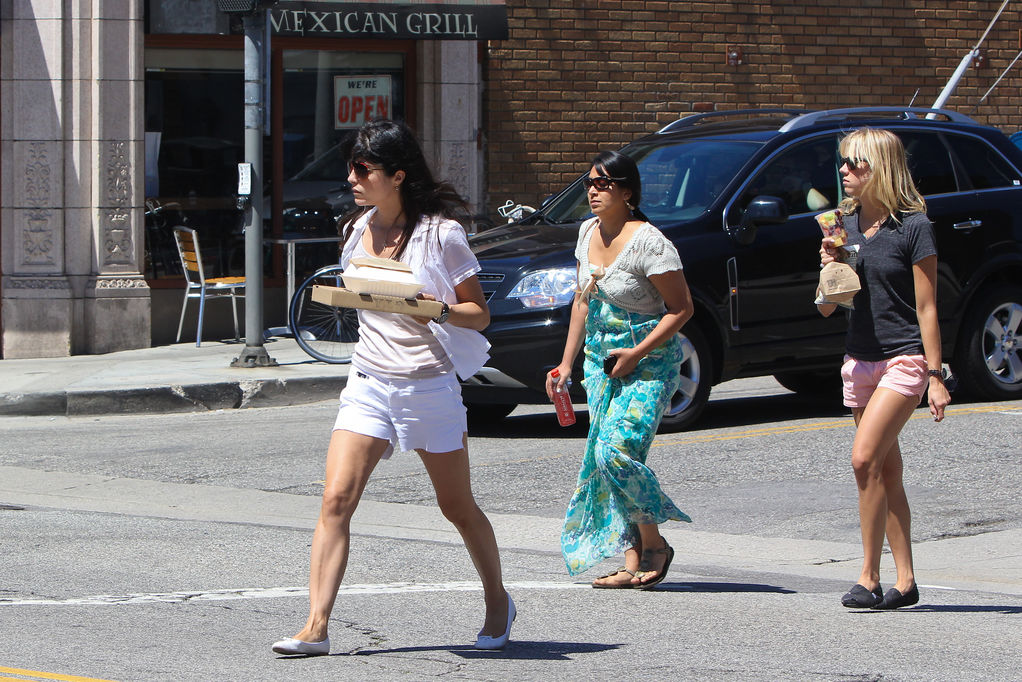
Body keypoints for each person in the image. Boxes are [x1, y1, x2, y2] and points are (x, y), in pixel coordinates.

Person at [272, 120, 514, 656]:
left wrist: (436, 309)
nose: (352, 179)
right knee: (336, 499)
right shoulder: (355, 228)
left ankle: (498, 600)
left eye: (363, 169)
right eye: (351, 168)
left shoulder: (440, 235)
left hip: (427, 385)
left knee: (456, 506)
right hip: (368, 382)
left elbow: (478, 314)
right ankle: (316, 625)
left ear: (398, 175)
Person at [546, 150, 694, 589]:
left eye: (604, 183)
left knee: (616, 452)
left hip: (649, 364)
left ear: (627, 192)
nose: (593, 191)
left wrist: (636, 353)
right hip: (600, 364)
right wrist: (566, 363)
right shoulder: (586, 231)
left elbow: (681, 308)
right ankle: (633, 559)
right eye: (589, 183)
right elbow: (582, 300)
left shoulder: (650, 242)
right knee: (605, 457)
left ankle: (655, 545)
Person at [818, 127, 951, 610]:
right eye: (843, 162)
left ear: (881, 168)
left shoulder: (914, 227)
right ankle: (906, 580)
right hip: (859, 358)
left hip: (904, 358)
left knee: (863, 459)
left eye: (855, 163)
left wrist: (935, 376)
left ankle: (869, 578)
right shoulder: (842, 224)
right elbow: (828, 308)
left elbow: (927, 306)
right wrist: (829, 267)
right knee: (886, 471)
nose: (845, 171)